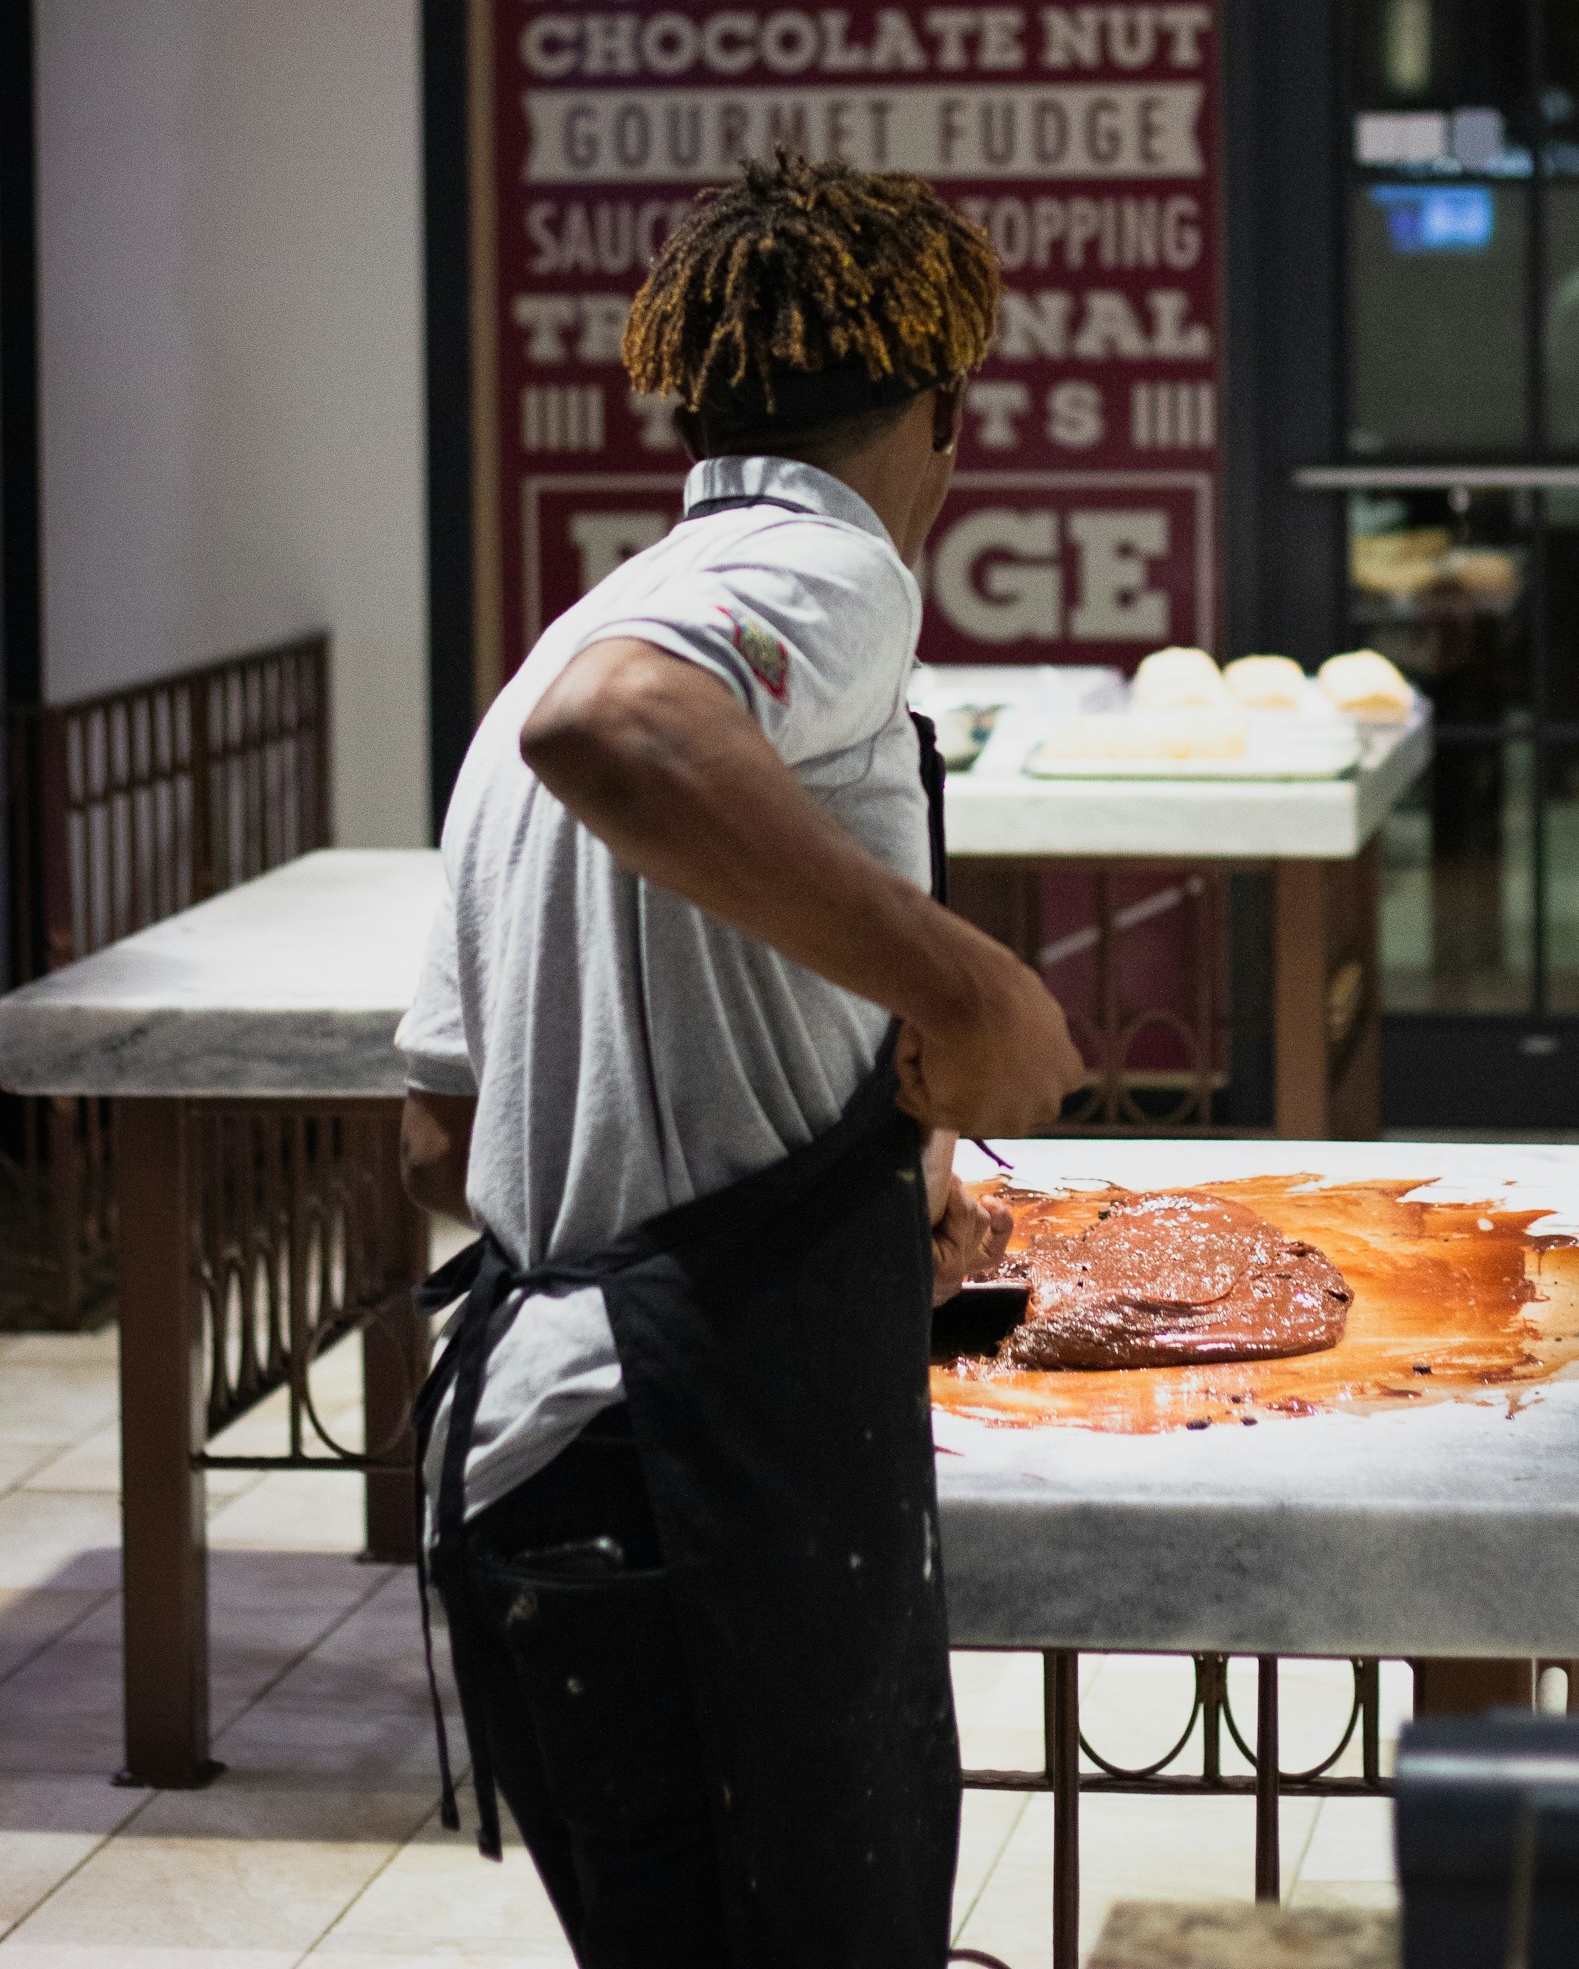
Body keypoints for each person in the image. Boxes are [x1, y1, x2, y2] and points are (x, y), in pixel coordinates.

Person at [393, 154, 1085, 1969]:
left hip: (544, 1476)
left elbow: (441, 1129)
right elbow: (620, 735)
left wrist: (865, 1165)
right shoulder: (819, 570)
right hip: (697, 1471)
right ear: (947, 411)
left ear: (688, 399)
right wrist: (971, 994)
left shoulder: (554, 644)